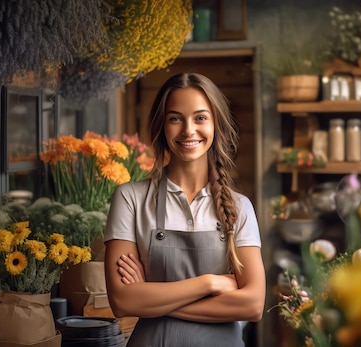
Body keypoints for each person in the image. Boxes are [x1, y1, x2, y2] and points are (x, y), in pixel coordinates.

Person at [103, 72, 266, 346]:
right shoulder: (130, 198)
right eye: (175, 118)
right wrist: (210, 284)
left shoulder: (240, 207)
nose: (188, 130)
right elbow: (121, 301)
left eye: (200, 118)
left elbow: (253, 305)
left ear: (216, 124)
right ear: (162, 126)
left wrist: (150, 299)